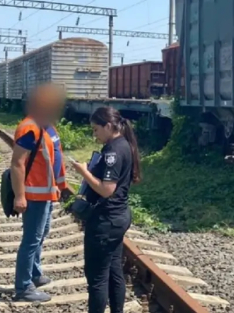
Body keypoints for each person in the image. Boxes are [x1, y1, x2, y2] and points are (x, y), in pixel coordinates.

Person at [70, 106, 140, 313]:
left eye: (96, 130)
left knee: (97, 278)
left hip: (105, 221)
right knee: (114, 270)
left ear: (108, 126)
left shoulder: (113, 151)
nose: (94, 135)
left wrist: (83, 172)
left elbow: (106, 189)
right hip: (118, 217)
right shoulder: (124, 145)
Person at [11, 83, 67, 302]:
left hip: (46, 194)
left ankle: (34, 274)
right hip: (34, 195)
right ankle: (23, 287)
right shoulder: (29, 127)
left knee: (40, 235)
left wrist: (60, 187)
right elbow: (17, 162)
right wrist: (19, 195)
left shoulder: (46, 126)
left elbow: (54, 160)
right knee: (31, 240)